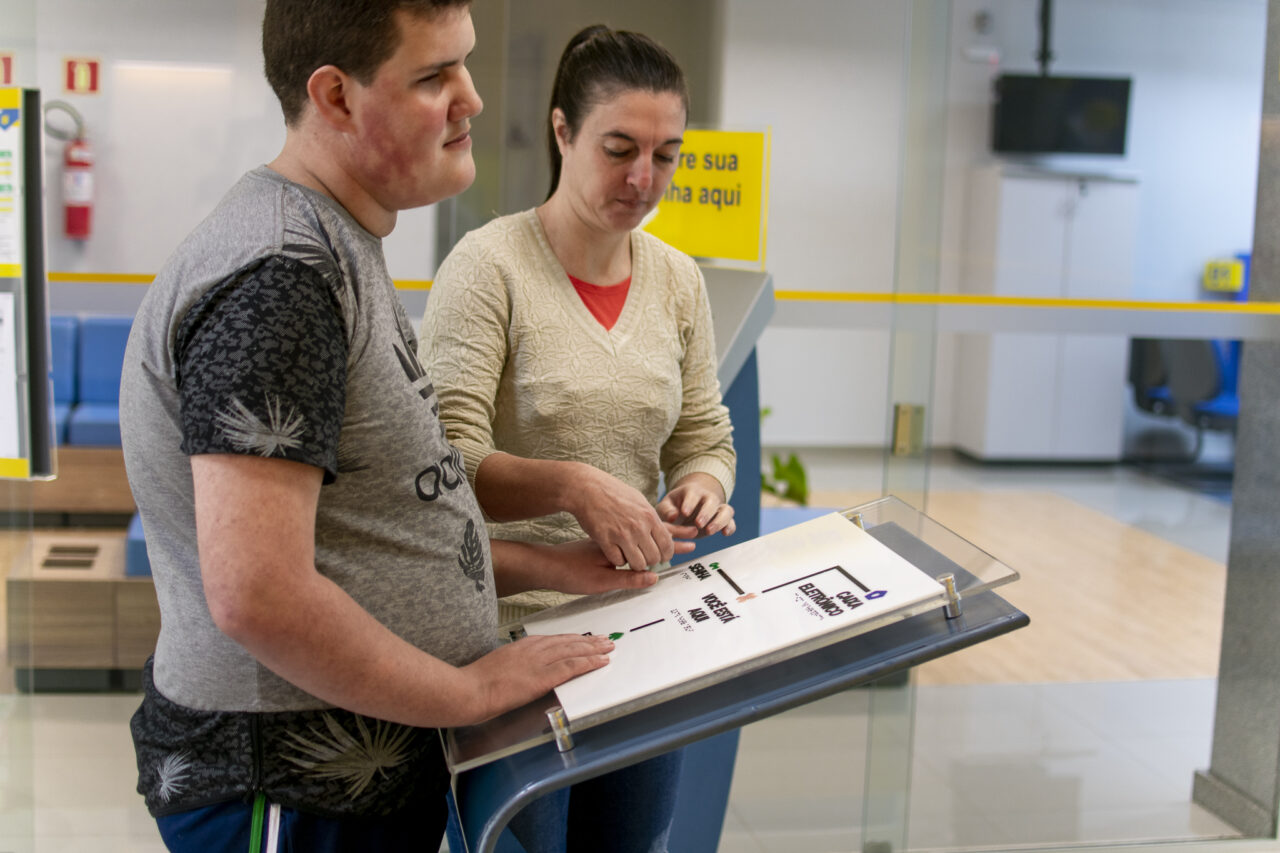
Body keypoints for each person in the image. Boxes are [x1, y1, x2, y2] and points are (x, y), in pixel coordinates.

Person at [118, 4, 658, 851]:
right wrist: (473, 691)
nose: (471, 99)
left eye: (466, 66)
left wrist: (551, 569)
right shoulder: (280, 277)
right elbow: (257, 594)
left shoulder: (336, 242)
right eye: (434, 76)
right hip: (288, 787)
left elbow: (373, 536)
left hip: (348, 780)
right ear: (334, 95)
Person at [419, 24, 737, 853]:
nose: (644, 178)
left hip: (638, 631)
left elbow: (705, 430)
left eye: (666, 155)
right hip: (511, 639)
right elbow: (446, 462)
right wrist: (572, 484)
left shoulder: (677, 279)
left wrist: (704, 482)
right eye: (620, 147)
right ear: (562, 131)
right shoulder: (488, 267)